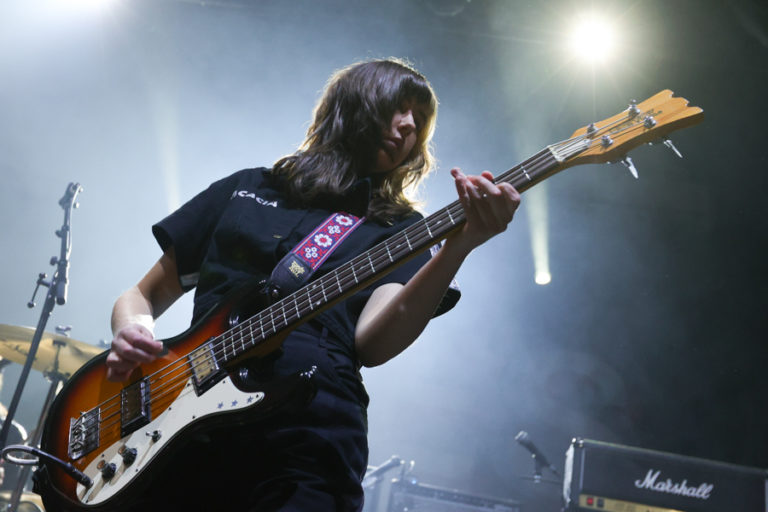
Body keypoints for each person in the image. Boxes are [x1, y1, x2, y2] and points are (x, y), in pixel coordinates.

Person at [105, 58, 520, 511]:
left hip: (307, 435)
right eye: (400, 107)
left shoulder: (398, 229)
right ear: (353, 105)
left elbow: (374, 344)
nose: (409, 126)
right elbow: (143, 295)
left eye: (420, 120)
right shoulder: (245, 189)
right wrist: (133, 331)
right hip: (182, 430)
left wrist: (459, 247)